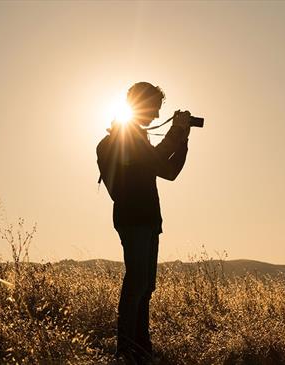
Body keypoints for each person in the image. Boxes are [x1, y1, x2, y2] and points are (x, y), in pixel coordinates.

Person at [96, 82, 191, 364]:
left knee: (145, 286)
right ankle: (126, 349)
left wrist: (182, 138)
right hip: (134, 218)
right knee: (137, 283)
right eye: (154, 109)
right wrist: (178, 132)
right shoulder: (122, 138)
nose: (155, 116)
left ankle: (139, 347)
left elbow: (168, 170)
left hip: (147, 218)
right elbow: (159, 162)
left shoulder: (135, 138)